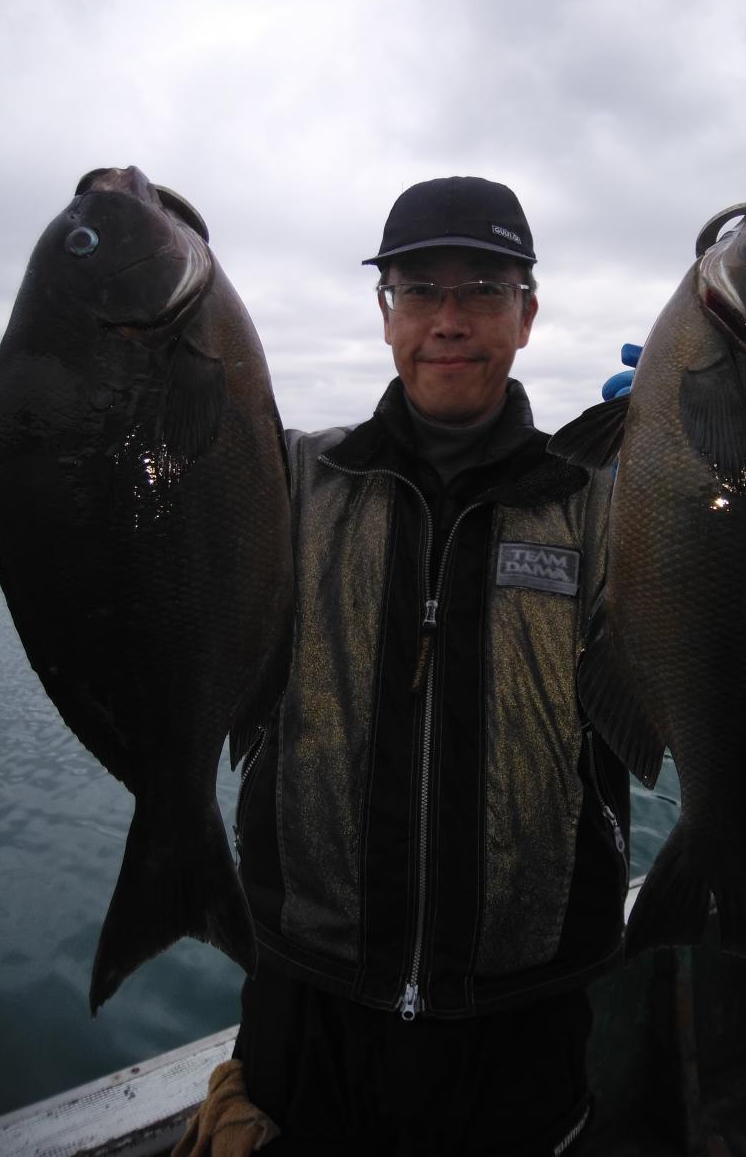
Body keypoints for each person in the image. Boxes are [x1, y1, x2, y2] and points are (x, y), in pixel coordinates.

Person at [215, 177, 629, 1156]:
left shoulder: (600, 505)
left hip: (524, 1002)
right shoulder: (292, 481)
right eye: (418, 290)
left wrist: (708, 459)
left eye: (483, 289)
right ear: (385, 312)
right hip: (309, 986)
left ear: (528, 315)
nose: (449, 319)